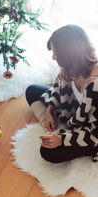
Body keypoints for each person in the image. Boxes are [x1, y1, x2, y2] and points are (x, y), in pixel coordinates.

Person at [25, 24, 98, 163]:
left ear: (68, 55)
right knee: (31, 91)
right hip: (73, 112)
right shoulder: (72, 66)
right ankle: (57, 128)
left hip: (92, 132)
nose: (53, 57)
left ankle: (60, 132)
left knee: (48, 152)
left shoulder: (95, 87)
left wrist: (61, 140)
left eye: (55, 53)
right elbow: (58, 85)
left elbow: (95, 133)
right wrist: (49, 110)